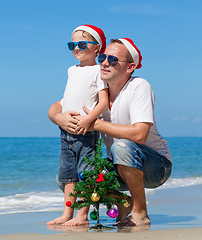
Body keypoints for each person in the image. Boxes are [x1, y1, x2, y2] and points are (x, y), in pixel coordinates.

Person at [49, 38, 172, 227]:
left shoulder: (139, 86)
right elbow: (56, 108)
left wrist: (96, 124)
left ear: (130, 67)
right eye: (103, 58)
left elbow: (140, 134)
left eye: (113, 60)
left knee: (121, 146)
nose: (105, 63)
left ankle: (140, 212)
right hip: (120, 165)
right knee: (73, 176)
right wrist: (59, 118)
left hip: (156, 166)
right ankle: (124, 203)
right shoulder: (98, 93)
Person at [46, 25, 108, 226]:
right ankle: (67, 214)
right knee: (67, 176)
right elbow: (67, 98)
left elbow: (103, 102)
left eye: (82, 43)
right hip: (66, 131)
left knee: (86, 174)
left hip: (86, 132)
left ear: (97, 47)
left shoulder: (99, 71)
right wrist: (62, 117)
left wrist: (89, 120)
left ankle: (82, 216)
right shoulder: (71, 70)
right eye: (72, 44)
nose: (76, 48)